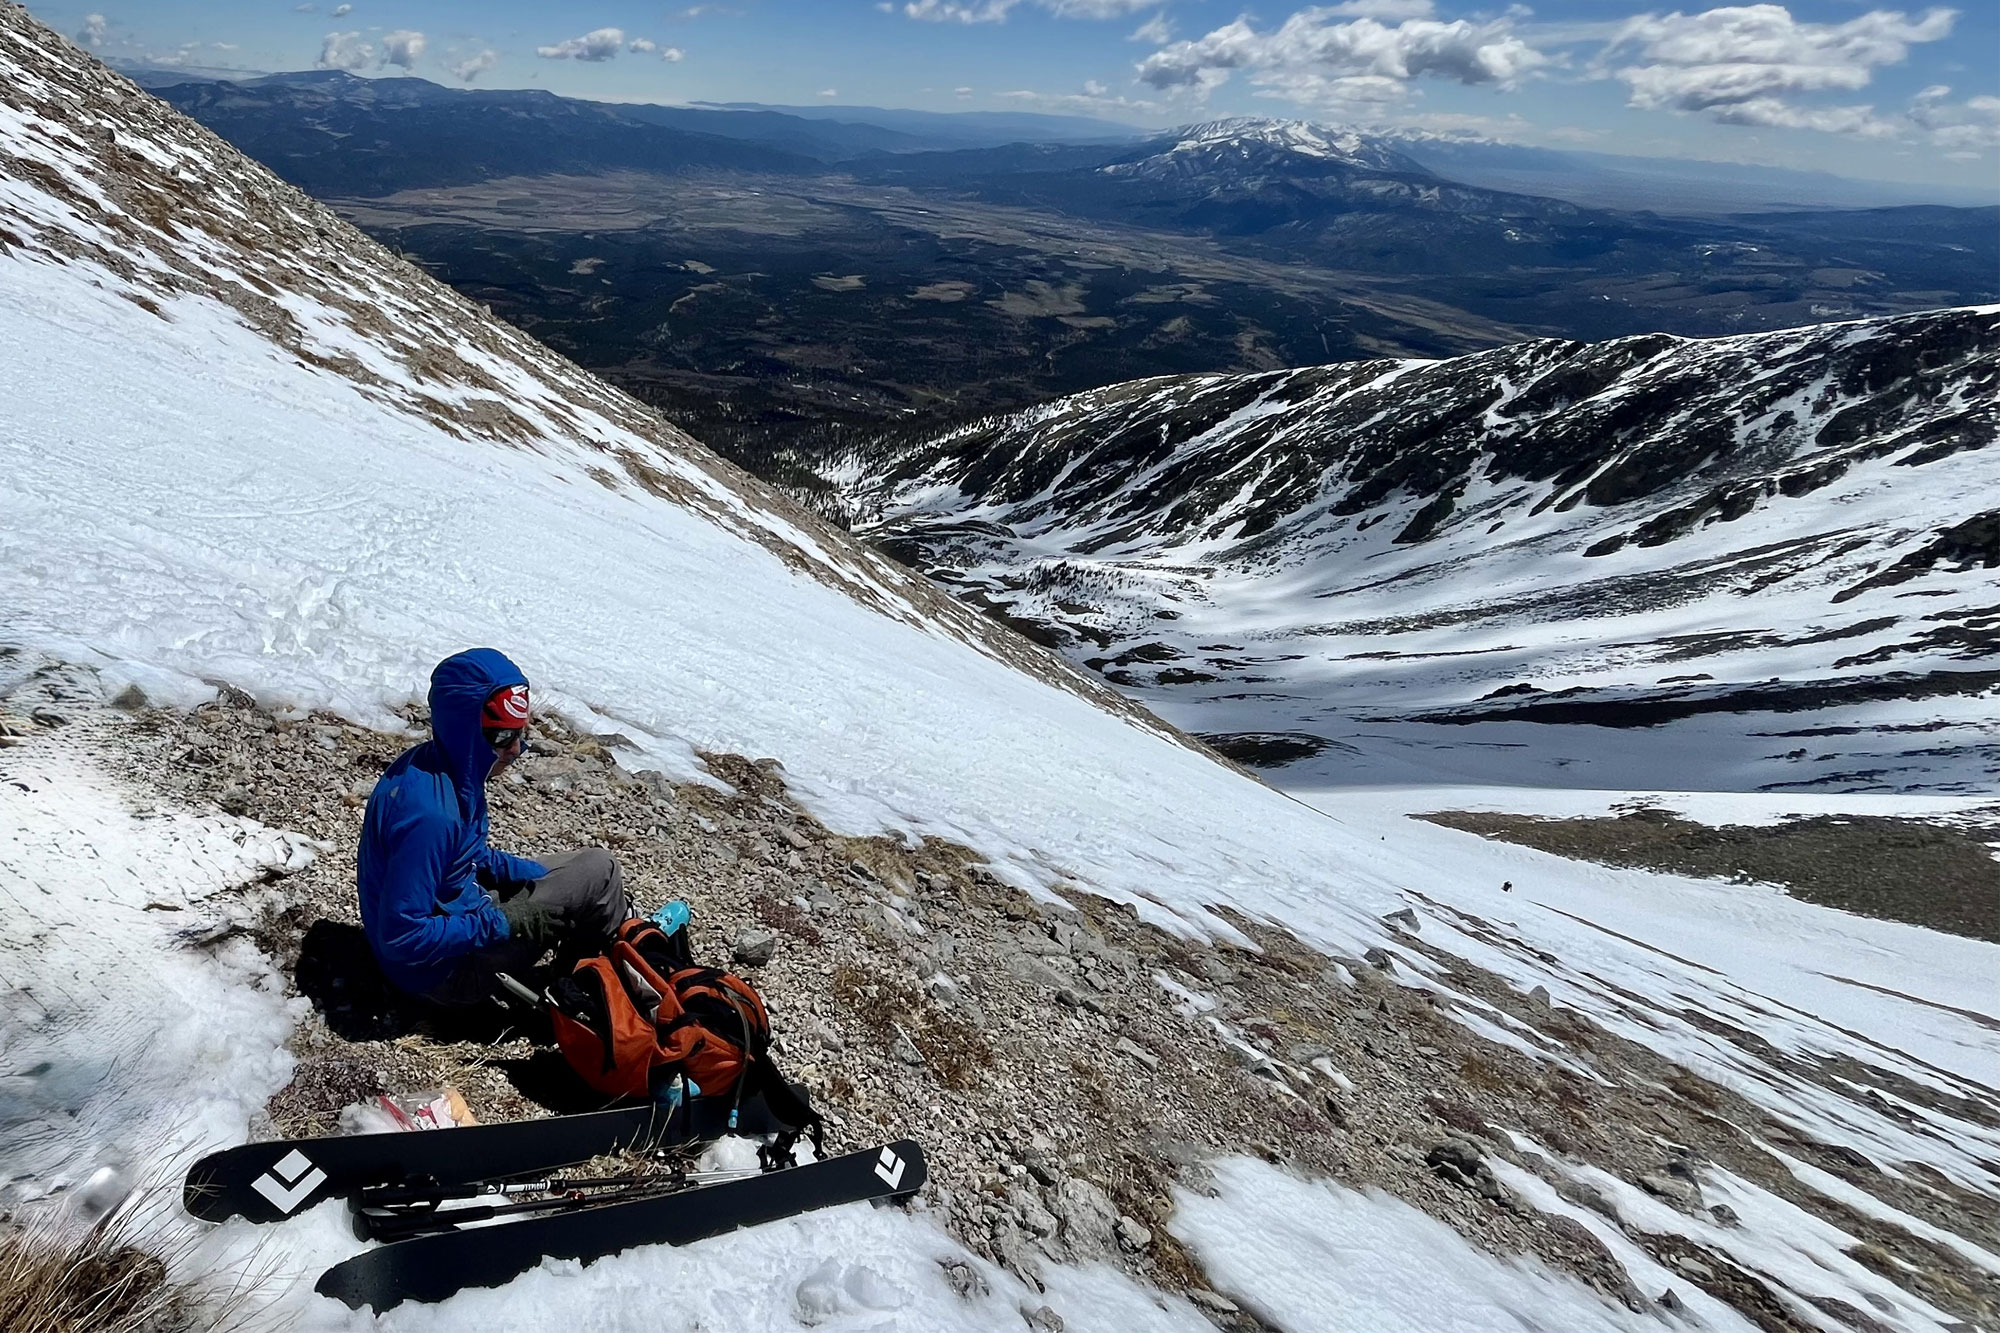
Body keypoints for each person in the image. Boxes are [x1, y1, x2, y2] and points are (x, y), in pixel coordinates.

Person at [357, 648, 631, 1007]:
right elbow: (402, 938)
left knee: (587, 872)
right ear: (465, 731)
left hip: (460, 914)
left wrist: (526, 873)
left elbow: (463, 854)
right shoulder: (431, 816)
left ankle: (603, 975)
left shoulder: (442, 766)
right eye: (502, 737)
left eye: (520, 733)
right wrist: (500, 923)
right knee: (600, 872)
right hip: (440, 975)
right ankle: (606, 995)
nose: (516, 749)